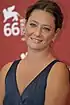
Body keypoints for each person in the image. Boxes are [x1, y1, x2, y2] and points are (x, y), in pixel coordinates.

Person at [0, 0, 70, 105]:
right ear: (25, 25)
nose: (37, 33)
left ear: (55, 34)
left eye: (46, 29)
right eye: (33, 25)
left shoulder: (58, 71)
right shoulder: (6, 70)